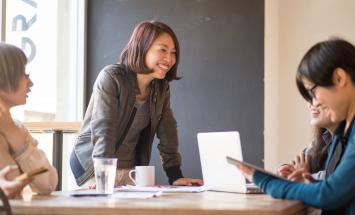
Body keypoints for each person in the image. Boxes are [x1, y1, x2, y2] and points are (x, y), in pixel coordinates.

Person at [70, 20, 203, 187]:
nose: (169, 58)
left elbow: (167, 131)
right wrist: (103, 176)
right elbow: (103, 129)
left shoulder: (160, 88)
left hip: (131, 169)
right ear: (142, 47)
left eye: (173, 52)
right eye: (163, 49)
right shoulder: (112, 77)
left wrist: (175, 175)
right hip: (93, 167)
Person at [235, 38, 355, 214]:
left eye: (312, 92)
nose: (313, 103)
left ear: (339, 78)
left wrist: (264, 180)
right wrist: (307, 185)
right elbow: (340, 190)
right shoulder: (343, 131)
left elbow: (330, 194)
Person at [0, 43, 58, 194]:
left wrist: (14, 135)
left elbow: (49, 184)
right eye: (24, 74)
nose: (30, 82)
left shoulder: (16, 128)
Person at [277, 104, 338, 182]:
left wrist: (303, 176)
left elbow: (338, 178)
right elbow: (299, 163)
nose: (310, 104)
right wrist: (286, 170)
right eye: (309, 98)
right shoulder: (323, 138)